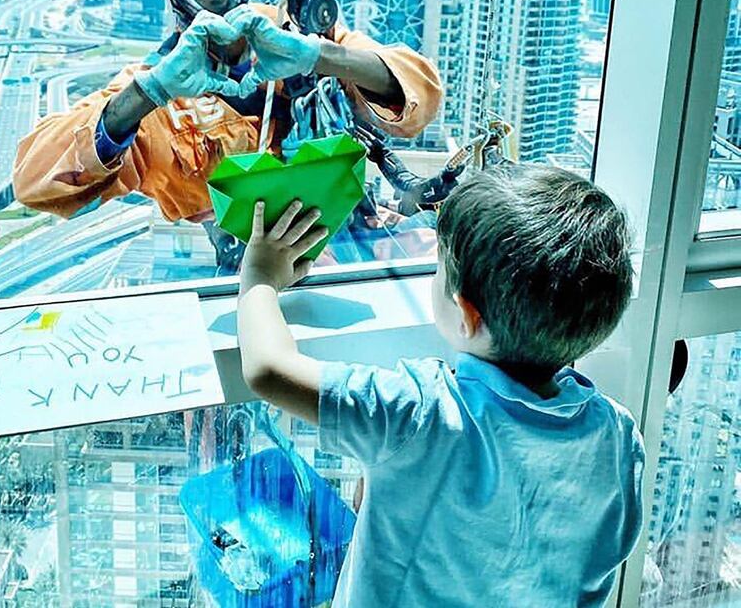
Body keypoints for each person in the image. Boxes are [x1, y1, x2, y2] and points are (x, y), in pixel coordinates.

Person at [236, 164, 645, 608]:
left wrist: (259, 278)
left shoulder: (421, 413)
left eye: (438, 270)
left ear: (467, 315)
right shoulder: (618, 437)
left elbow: (268, 369)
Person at [13, 0, 441, 269]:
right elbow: (34, 180)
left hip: (350, 254)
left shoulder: (296, 36)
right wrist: (150, 92)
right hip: (235, 282)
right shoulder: (153, 97)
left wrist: (318, 56)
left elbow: (419, 93)